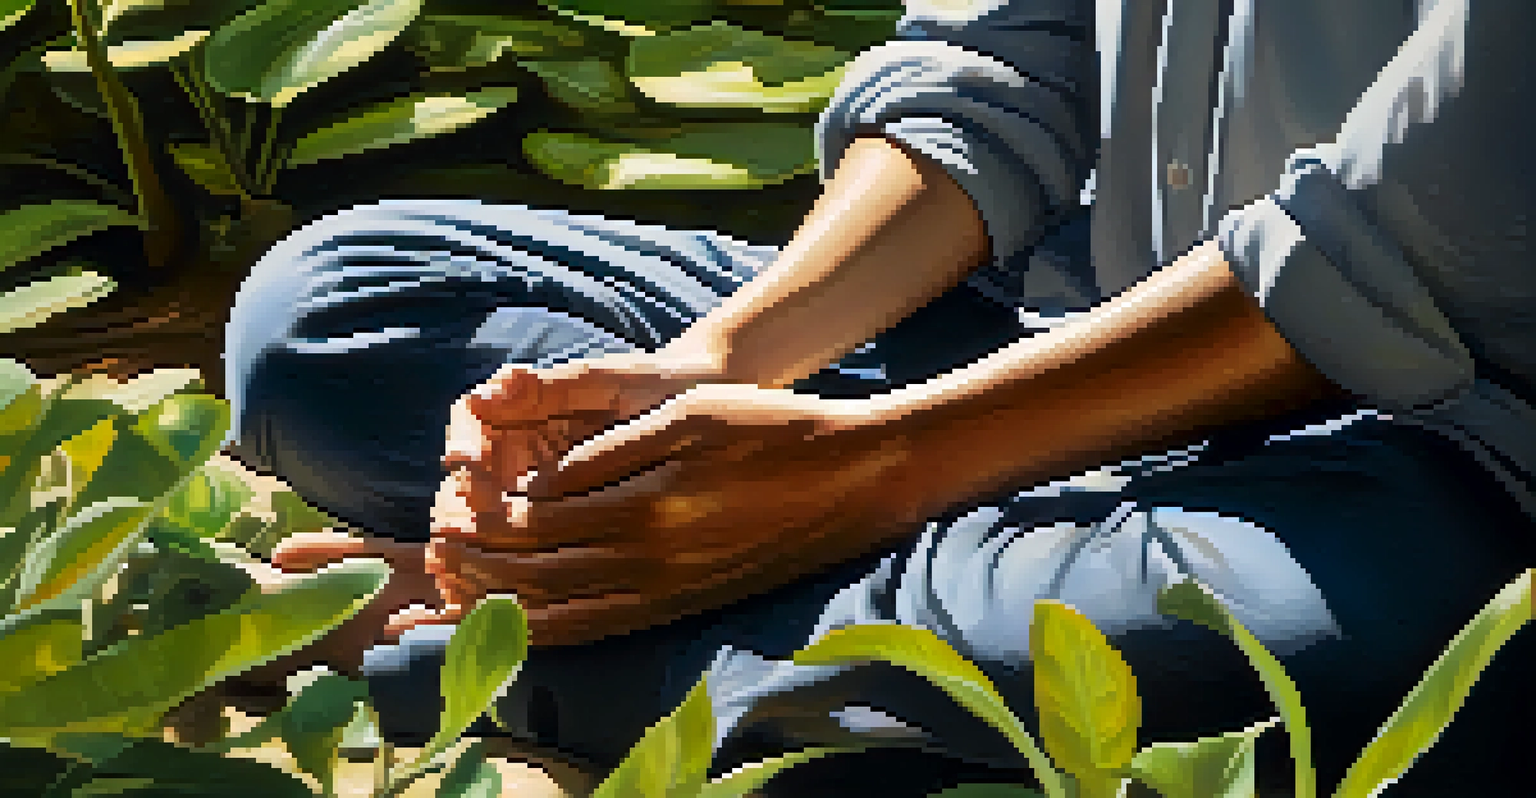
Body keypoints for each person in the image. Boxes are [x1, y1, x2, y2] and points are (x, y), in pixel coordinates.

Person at [231, 0, 1535, 794]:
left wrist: (874, 466)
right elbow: (990, 72)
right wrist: (723, 366)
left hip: (1443, 452)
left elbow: (1396, 249)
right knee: (333, 309)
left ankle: (505, 649)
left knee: (1297, 643)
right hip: (1044, 330)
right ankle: (797, 621)